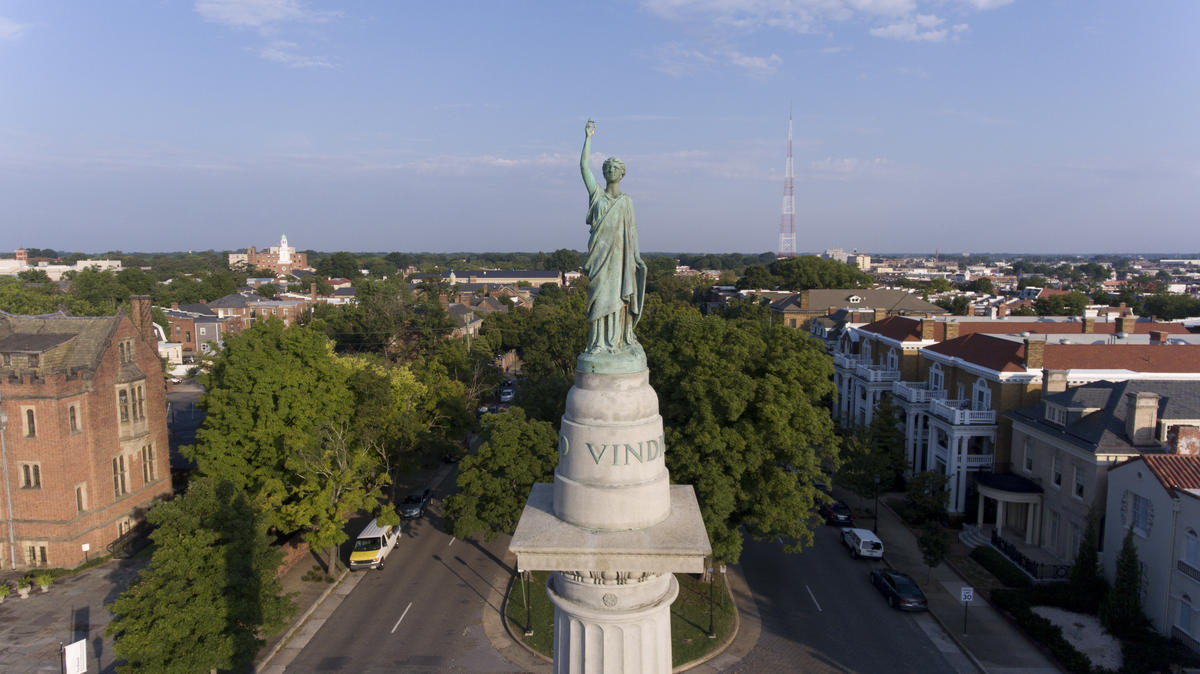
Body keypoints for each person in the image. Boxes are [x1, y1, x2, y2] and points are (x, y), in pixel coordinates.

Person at [580, 119, 647, 353]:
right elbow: (584, 168)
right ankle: (598, 342)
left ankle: (618, 340)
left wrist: (636, 257)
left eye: (614, 169)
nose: (610, 171)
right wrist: (588, 138)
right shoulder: (597, 195)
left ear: (622, 174)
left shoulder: (626, 202)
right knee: (600, 298)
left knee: (619, 299)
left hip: (620, 260)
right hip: (600, 258)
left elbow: (632, 230)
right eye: (607, 168)